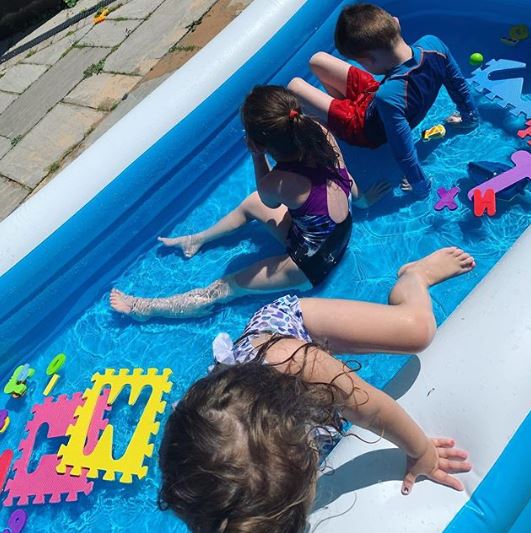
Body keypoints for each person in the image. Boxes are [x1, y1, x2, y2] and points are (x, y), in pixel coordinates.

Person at [158, 247, 475, 532]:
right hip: (250, 395)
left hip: (289, 329)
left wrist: (422, 453)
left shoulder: (299, 363)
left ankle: (413, 277)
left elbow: (372, 407)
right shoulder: (207, 485)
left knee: (417, 332)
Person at [110, 85, 389, 321]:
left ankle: (143, 309)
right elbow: (345, 177)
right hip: (338, 233)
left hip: (310, 266)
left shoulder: (279, 184)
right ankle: (196, 239)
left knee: (225, 286)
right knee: (249, 204)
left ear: (258, 142)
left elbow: (269, 198)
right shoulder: (320, 133)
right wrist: (362, 201)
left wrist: (257, 156)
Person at [288, 3, 479, 197]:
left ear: (370, 61)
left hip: (362, 128)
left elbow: (403, 149)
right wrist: (469, 117)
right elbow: (458, 85)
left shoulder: (389, 96)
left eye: (360, 61)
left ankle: (337, 123)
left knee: (294, 86)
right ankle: (334, 112)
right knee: (317, 59)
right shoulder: (434, 45)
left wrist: (419, 184)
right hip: (375, 97)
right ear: (396, 23)